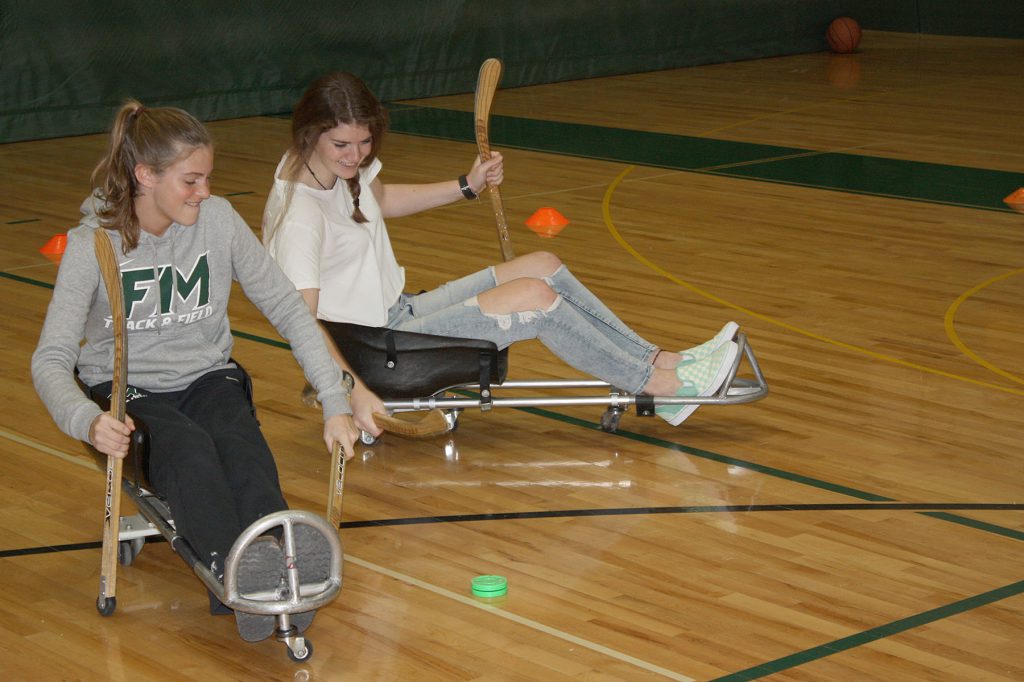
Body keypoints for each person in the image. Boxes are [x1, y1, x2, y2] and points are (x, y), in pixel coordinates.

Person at [31, 100, 359, 641]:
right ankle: (239, 575)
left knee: (240, 446)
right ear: (145, 175)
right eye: (191, 180)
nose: (204, 191)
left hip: (206, 376)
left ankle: (279, 561)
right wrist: (85, 420)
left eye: (207, 178)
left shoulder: (219, 221)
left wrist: (335, 400)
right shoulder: (94, 245)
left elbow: (286, 307)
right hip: (126, 395)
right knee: (186, 449)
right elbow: (50, 358)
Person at [262, 72, 740, 430]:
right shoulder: (300, 219)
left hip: (398, 313)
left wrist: (466, 186)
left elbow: (379, 199)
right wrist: (348, 394)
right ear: (310, 134)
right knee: (532, 297)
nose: (356, 155)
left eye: (365, 142)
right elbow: (302, 325)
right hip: (374, 350)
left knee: (542, 266)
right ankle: (661, 389)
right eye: (342, 144)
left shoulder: (328, 167)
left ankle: (660, 361)